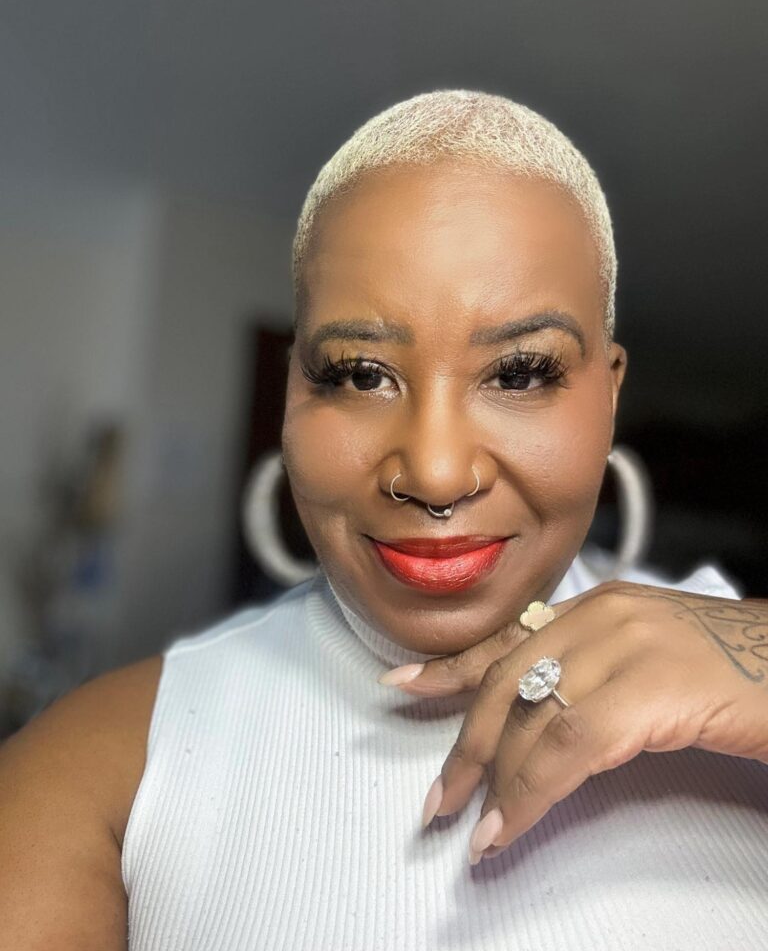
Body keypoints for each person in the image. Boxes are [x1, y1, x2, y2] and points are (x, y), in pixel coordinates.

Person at [1, 90, 766, 950]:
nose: (436, 475)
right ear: (295, 391)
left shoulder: (748, 684)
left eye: (519, 372)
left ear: (610, 394)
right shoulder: (96, 773)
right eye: (360, 374)